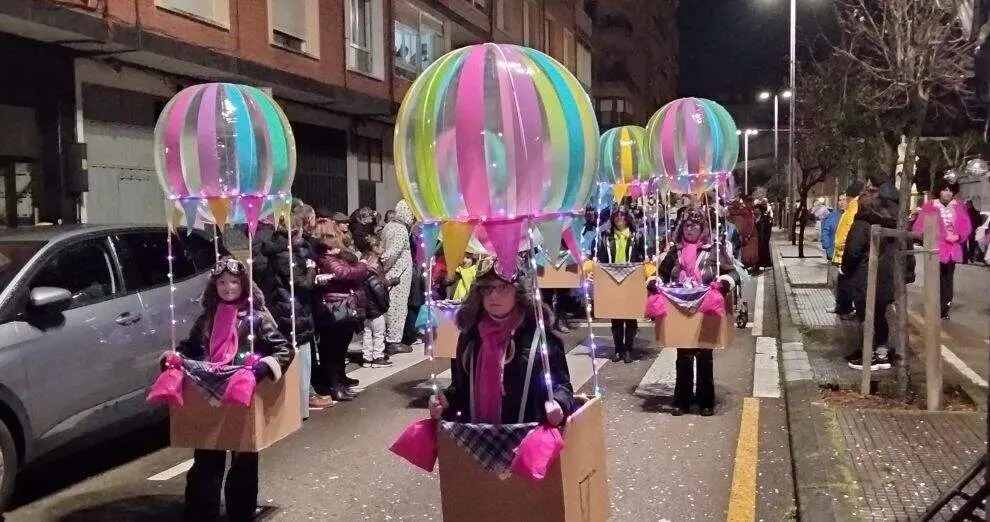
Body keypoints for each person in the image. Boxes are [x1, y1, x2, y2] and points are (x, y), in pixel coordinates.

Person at [174, 257, 294, 521]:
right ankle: (201, 512)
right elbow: (191, 346)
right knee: (206, 455)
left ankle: (241, 512)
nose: (228, 288)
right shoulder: (207, 318)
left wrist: (264, 367)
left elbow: (284, 349)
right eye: (222, 282)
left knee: (243, 460)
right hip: (210, 393)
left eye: (234, 282)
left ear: (244, 285)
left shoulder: (257, 319)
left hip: (242, 394)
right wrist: (176, 357)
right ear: (214, 286)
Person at [428, 257, 575, 425]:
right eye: (487, 288)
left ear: (518, 293)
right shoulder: (470, 336)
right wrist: (446, 402)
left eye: (503, 287)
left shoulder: (540, 336)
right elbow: (461, 390)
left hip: (525, 439)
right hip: (480, 440)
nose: (493, 295)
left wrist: (558, 404)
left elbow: (562, 387)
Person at [252, 203, 333, 416]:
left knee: (295, 357)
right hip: (292, 310)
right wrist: (311, 269)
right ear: (294, 230)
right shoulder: (284, 253)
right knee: (301, 359)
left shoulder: (273, 248)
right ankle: (300, 409)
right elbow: (301, 283)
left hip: (283, 307)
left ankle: (297, 406)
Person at [657, 210, 739, 417]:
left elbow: (733, 273)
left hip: (705, 308)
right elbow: (661, 274)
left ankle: (705, 400)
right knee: (683, 356)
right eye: (686, 226)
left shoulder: (714, 250)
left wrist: (724, 283)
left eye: (695, 226)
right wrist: (654, 283)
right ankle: (682, 400)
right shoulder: (674, 251)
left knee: (704, 355)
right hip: (680, 308)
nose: (690, 230)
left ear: (702, 229)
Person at [842, 178, 912, 370]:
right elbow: (906, 247)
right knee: (881, 314)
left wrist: (845, 269)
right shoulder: (892, 222)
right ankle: (881, 353)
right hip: (887, 278)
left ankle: (868, 355)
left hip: (865, 276)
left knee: (865, 315)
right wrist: (908, 271)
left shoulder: (862, 224)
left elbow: (853, 251)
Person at [313, 220, 368, 401]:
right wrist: (363, 265)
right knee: (332, 350)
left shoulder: (336, 256)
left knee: (340, 348)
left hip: (343, 305)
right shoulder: (325, 258)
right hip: (334, 307)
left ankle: (340, 380)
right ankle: (335, 385)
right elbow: (347, 273)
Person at [912, 180, 972, 319]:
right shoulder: (930, 206)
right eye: (945, 190)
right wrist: (925, 236)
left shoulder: (959, 207)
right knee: (935, 280)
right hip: (935, 248)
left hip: (953, 248)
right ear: (939, 191)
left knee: (948, 280)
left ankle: (944, 308)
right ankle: (934, 308)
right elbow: (919, 226)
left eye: (950, 190)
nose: (947, 193)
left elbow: (966, 225)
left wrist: (958, 236)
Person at [596, 209, 645, 363]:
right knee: (616, 317)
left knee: (630, 316)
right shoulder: (605, 237)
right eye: (616, 216)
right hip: (611, 280)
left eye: (622, 215)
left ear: (628, 218)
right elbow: (600, 257)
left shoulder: (637, 236)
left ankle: (629, 349)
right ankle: (618, 349)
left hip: (631, 280)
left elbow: (643, 256)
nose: (619, 218)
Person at [359, 234, 400, 367]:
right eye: (380, 245)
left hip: (365, 305)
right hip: (375, 306)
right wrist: (384, 304)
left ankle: (367, 357)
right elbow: (378, 286)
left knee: (367, 332)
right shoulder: (372, 264)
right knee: (378, 333)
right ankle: (377, 356)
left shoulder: (364, 261)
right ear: (374, 247)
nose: (383, 248)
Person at [382, 201, 415, 355]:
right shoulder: (399, 229)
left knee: (394, 307)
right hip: (397, 275)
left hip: (396, 274)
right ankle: (393, 341)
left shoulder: (390, 226)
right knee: (397, 308)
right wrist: (385, 270)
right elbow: (391, 254)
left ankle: (392, 339)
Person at [832, 182, 862, 318]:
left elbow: (848, 231)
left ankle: (847, 309)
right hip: (843, 252)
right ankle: (842, 307)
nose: (842, 202)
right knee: (843, 283)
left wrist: (841, 245)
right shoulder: (850, 209)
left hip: (846, 252)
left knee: (848, 283)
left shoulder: (853, 209)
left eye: (844, 199)